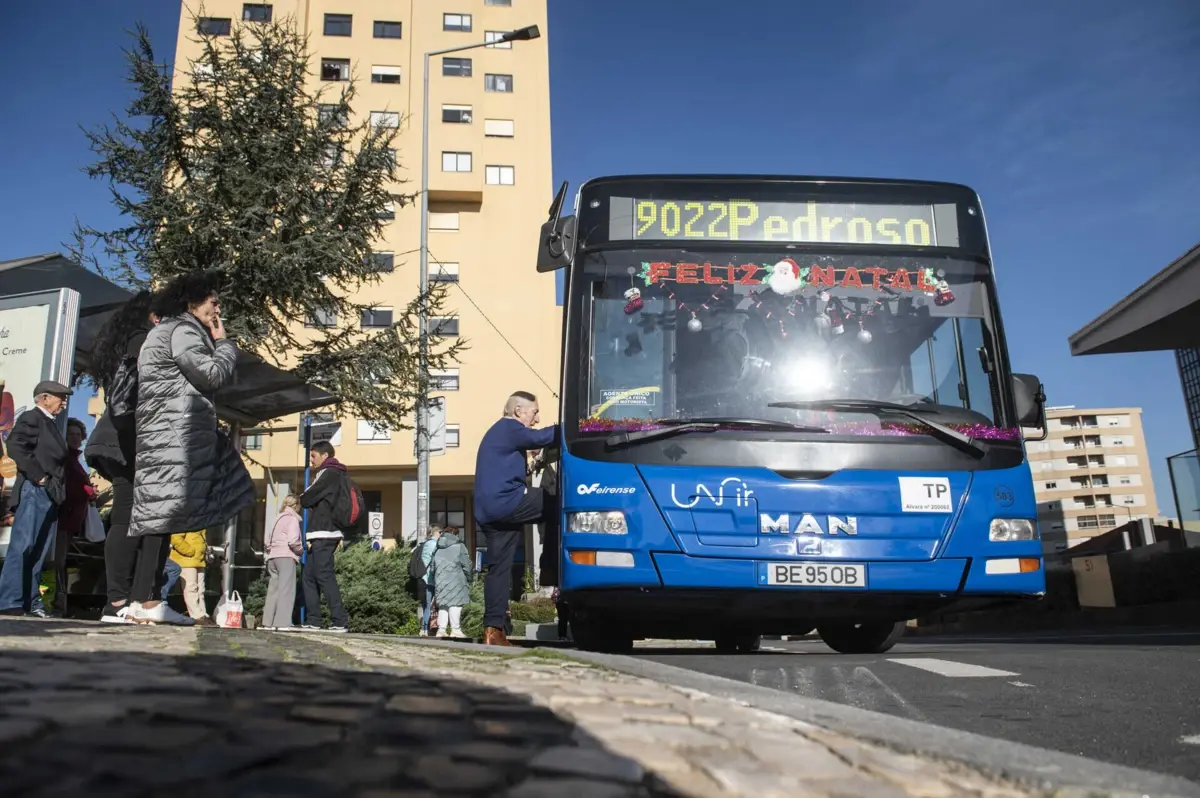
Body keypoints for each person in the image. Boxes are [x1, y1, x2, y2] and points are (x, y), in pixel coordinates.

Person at [126, 271, 255, 625]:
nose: (217, 307)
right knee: (165, 517)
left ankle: (142, 599)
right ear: (191, 302)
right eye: (212, 301)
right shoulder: (183, 331)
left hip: (160, 435)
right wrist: (224, 343)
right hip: (177, 435)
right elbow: (210, 375)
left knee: (159, 518)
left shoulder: (159, 333)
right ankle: (149, 603)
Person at [83, 290, 158, 624]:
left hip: (118, 438)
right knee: (128, 518)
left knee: (128, 518)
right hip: (128, 439)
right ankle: (118, 602)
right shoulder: (141, 340)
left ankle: (122, 600)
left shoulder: (123, 340)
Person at [473, 391, 559, 646]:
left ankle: (493, 629)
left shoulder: (497, 433)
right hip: (506, 503)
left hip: (488, 512)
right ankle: (551, 568)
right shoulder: (510, 427)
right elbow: (545, 436)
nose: (536, 417)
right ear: (519, 411)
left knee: (498, 570)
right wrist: (576, 425)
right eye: (534, 412)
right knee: (560, 504)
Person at [0, 381, 74, 617]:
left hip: (49, 493)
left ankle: (30, 602)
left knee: (39, 551)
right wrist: (39, 477)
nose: (64, 402)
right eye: (60, 397)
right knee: (23, 547)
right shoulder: (33, 418)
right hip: (35, 490)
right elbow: (14, 444)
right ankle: (9, 600)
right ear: (44, 398)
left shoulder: (49, 423)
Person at [299, 441, 349, 632]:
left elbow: (306, 499)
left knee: (324, 575)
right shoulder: (332, 473)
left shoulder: (329, 473)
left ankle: (339, 620)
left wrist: (307, 495)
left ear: (325, 456)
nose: (311, 460)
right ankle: (314, 620)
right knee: (309, 576)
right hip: (320, 533)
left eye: (314, 456)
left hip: (325, 532)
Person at [47, 417, 96, 615]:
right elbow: (68, 487)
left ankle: (58, 603)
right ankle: (54, 603)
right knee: (56, 561)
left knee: (61, 561)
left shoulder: (75, 460)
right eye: (71, 434)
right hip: (62, 518)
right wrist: (88, 491)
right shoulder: (66, 459)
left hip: (71, 521)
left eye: (78, 434)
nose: (76, 438)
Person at [262, 494, 303, 630]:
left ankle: (268, 622)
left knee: (273, 591)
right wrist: (300, 550)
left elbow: (267, 542)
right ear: (296, 506)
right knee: (287, 590)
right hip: (286, 557)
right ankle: (282, 623)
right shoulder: (292, 520)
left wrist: (272, 550)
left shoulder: (277, 518)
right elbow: (292, 541)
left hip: (272, 557)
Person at [429, 525, 471, 638]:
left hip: (440, 581)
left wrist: (436, 578)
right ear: (455, 534)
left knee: (443, 605)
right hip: (456, 580)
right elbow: (466, 566)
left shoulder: (437, 548)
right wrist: (469, 578)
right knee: (455, 604)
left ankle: (441, 629)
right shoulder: (459, 547)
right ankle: (455, 629)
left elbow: (432, 567)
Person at [168, 530, 215, 625]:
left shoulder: (199, 521)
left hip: (199, 560)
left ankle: (203, 614)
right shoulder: (186, 520)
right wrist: (190, 551)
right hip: (187, 560)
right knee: (191, 588)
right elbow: (176, 538)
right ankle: (197, 616)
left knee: (200, 590)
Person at [418, 525, 441, 635]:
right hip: (430, 579)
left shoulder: (425, 544)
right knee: (429, 605)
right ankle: (425, 629)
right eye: (440, 532)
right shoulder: (434, 544)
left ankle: (423, 628)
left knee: (425, 604)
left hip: (423, 577)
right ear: (436, 533)